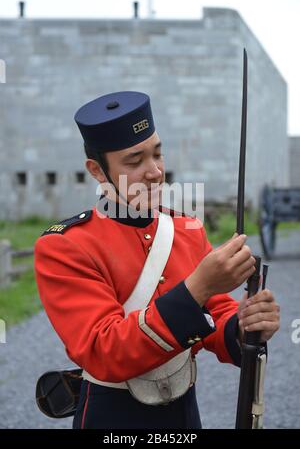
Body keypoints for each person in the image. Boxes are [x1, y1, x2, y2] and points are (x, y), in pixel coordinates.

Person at [34, 91, 280, 429]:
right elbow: (103, 350)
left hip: (184, 414)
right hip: (112, 418)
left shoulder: (186, 227)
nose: (155, 172)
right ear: (97, 170)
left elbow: (217, 314)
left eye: (158, 154)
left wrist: (244, 326)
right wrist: (198, 287)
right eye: (135, 161)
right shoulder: (65, 246)